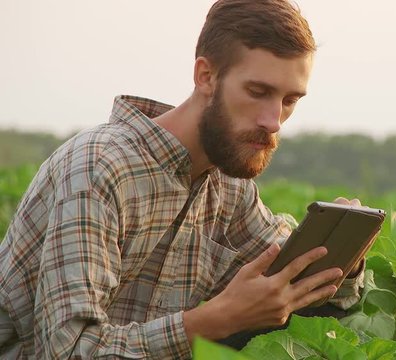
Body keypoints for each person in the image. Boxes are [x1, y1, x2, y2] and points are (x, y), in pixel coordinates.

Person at [0, 0, 367, 358]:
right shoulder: (100, 169)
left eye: (289, 100)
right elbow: (70, 350)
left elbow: (303, 286)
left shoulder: (228, 186)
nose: (273, 121)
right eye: (258, 92)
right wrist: (218, 319)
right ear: (205, 76)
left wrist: (346, 248)